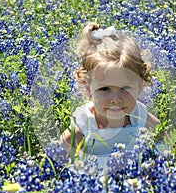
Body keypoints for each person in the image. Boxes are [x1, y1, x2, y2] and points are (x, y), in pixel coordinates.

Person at [60, 22, 162, 171]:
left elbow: (165, 144)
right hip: (94, 189)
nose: (115, 99)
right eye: (105, 89)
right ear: (88, 88)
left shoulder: (141, 118)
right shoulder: (84, 126)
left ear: (140, 86)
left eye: (125, 88)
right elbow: (57, 158)